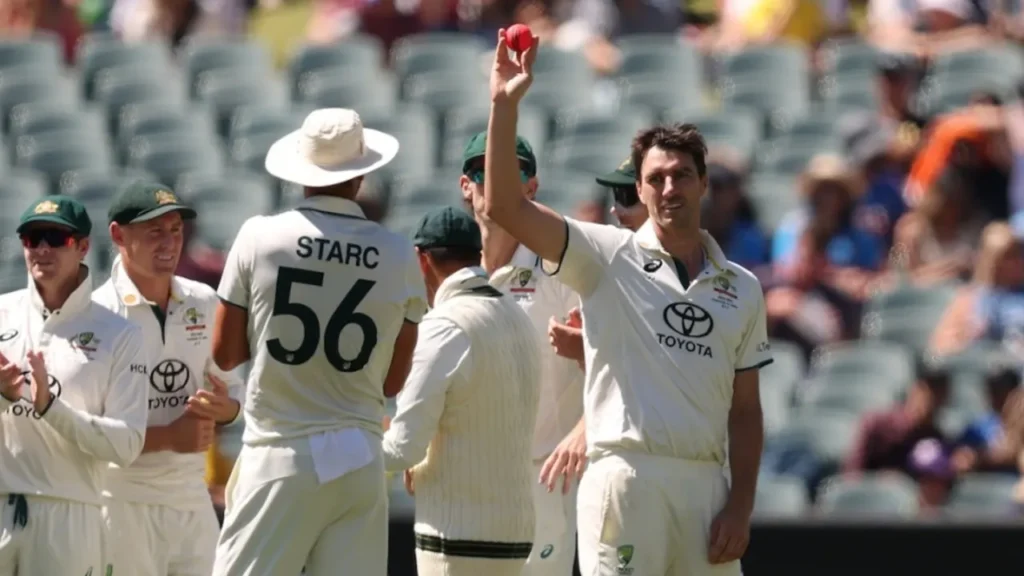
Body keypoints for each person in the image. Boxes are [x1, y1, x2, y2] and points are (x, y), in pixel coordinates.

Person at [482, 32, 772, 575]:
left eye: (681, 175)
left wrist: (740, 504)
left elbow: (747, 409)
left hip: (706, 486)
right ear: (638, 191)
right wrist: (504, 104)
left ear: (704, 182)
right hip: (624, 477)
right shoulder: (604, 253)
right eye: (655, 179)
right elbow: (503, 206)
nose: (668, 189)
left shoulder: (742, 287)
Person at [209, 107, 427, 576]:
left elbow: (224, 354)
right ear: (360, 177)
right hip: (359, 458)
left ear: (301, 172)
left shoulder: (259, 236)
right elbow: (392, 380)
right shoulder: (397, 253)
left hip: (279, 453)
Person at [93, 181, 245, 576]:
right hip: (122, 503)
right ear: (118, 235)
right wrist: (168, 437)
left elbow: (233, 395)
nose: (169, 243)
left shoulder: (204, 301)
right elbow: (80, 432)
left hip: (192, 499)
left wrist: (224, 409)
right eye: (154, 232)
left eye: (175, 231)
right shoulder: (94, 318)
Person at [382, 206, 540, 576]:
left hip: (457, 538)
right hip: (515, 535)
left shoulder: (443, 326)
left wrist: (334, 448)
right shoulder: (518, 317)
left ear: (422, 261)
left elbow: (403, 448)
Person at [0, 196, 151, 575]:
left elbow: (127, 445)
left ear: (83, 246)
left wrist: (52, 409)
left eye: (56, 237)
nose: (42, 249)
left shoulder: (120, 334)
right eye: (32, 238)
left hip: (71, 515)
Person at [459, 130, 584, 575]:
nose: (496, 185)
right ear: (465, 186)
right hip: (467, 473)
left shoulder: (561, 269)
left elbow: (613, 360)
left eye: (513, 175)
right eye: (483, 172)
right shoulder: (450, 269)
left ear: (532, 188)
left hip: (544, 474)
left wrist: (586, 428)